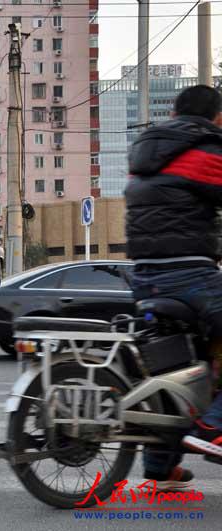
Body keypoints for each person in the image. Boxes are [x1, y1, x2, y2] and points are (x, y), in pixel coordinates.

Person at [125, 84, 222, 486]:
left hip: (144, 274)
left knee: (179, 366)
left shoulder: (147, 152)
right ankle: (215, 427)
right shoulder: (205, 150)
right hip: (189, 275)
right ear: (214, 116)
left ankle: (160, 469)